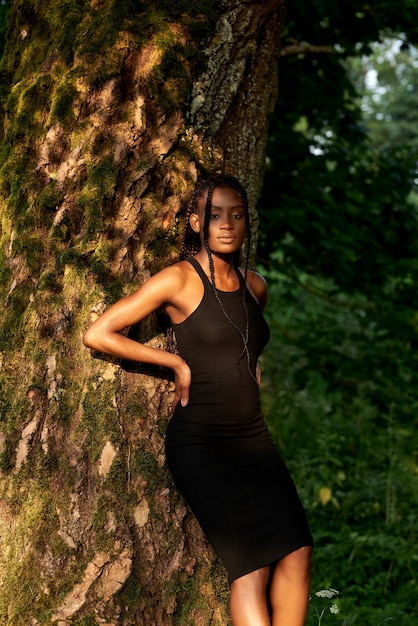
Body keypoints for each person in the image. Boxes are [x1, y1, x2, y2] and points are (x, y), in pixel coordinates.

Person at [83, 174, 313, 625]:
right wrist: (175, 364)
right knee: (250, 569)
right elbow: (99, 333)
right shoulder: (178, 280)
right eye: (214, 215)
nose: (226, 224)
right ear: (196, 223)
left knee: (298, 551)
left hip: (253, 439)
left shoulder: (255, 286)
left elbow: (246, 344)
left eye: (236, 215)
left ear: (247, 223)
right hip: (201, 442)